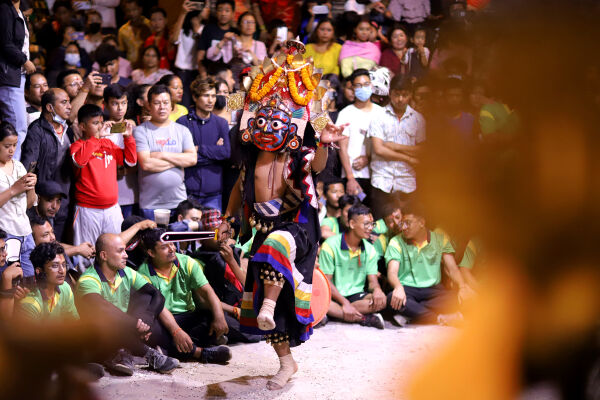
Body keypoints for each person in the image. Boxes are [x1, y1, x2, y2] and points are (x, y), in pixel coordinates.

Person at [219, 40, 346, 390]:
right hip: (260, 225)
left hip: (297, 225)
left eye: (280, 117)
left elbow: (318, 164)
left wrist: (324, 139)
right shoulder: (249, 155)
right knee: (262, 295)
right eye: (265, 116)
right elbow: (237, 188)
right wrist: (228, 219)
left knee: (274, 248)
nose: (272, 122)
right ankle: (286, 362)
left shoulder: (302, 153)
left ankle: (267, 307)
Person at [75, 233, 180, 375]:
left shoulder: (126, 272)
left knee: (145, 298)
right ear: (104, 256)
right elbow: (102, 308)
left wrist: (147, 319)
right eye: (120, 251)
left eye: (125, 250)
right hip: (95, 337)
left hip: (124, 329)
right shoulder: (88, 279)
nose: (126, 255)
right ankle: (148, 354)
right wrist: (134, 323)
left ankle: (123, 355)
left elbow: (157, 295)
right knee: (106, 320)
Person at [137, 228, 232, 363]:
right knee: (153, 331)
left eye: (172, 244)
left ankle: (170, 349)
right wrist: (176, 332)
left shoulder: (187, 262)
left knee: (213, 316)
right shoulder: (143, 274)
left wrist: (219, 316)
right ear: (151, 252)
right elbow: (161, 309)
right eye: (164, 247)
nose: (172, 249)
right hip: (164, 320)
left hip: (188, 316)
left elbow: (208, 292)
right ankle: (200, 352)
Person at [70, 104, 137, 268]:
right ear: (82, 126)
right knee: (87, 256)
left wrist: (128, 137)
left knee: (117, 250)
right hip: (87, 209)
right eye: (95, 123)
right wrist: (96, 139)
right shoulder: (77, 146)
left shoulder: (108, 144)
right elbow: (79, 161)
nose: (100, 126)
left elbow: (130, 161)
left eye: (101, 122)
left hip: (112, 209)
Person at [385, 206, 475, 326]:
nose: (404, 227)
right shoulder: (396, 241)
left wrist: (463, 287)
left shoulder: (440, 239)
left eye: (408, 223)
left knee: (462, 298)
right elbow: (392, 272)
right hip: (407, 289)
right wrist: (398, 287)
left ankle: (412, 314)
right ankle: (438, 318)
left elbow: (452, 269)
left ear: (421, 222)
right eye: (402, 223)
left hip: (434, 290)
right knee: (392, 298)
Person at [134, 84, 197, 220]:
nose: (162, 107)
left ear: (171, 105)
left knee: (180, 240)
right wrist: (178, 161)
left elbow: (192, 159)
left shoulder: (182, 130)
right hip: (150, 205)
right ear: (149, 106)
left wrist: (162, 155)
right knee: (154, 241)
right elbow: (147, 164)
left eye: (165, 103)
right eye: (157, 103)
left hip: (179, 203)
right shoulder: (140, 131)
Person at [368, 75, 425, 219]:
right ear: (390, 93)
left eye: (404, 95)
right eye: (396, 94)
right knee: (380, 226)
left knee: (406, 226)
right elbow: (379, 149)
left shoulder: (418, 119)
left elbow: (422, 150)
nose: (400, 99)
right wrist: (408, 158)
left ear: (411, 95)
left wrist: (395, 146)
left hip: (407, 181)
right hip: (382, 180)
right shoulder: (378, 115)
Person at [319, 204, 386, 329]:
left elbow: (372, 281)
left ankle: (336, 314)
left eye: (372, 224)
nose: (370, 228)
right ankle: (364, 318)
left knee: (381, 301)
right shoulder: (330, 245)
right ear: (352, 224)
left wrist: (377, 290)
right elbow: (326, 282)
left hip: (356, 296)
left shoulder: (370, 249)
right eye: (366, 224)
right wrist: (344, 303)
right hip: (333, 295)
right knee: (317, 299)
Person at [177, 77, 230, 211]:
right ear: (195, 97)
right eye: (206, 95)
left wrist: (198, 149)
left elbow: (226, 153)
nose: (211, 100)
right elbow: (181, 157)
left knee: (214, 232)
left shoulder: (221, 123)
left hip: (214, 194)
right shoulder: (182, 123)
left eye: (213, 95)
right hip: (188, 193)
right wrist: (213, 153)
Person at [337, 69, 382, 202]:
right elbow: (342, 148)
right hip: (354, 175)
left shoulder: (381, 112)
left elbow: (385, 144)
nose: (363, 88)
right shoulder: (346, 113)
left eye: (366, 84)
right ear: (352, 88)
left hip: (378, 175)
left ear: (372, 85)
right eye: (358, 85)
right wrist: (350, 178)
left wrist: (368, 157)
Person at [0, 0, 37, 161]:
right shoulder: (4, 9)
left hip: (16, 75)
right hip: (8, 75)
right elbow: (5, 44)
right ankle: (11, 171)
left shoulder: (18, 11)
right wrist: (24, 60)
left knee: (17, 126)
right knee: (18, 127)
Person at [0, 122, 37, 277]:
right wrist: (14, 189)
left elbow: (28, 204)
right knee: (7, 281)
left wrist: (31, 186)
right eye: (7, 145)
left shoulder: (19, 166)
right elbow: (14, 191)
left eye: (15, 145)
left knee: (30, 279)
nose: (12, 150)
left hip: (25, 232)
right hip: (5, 233)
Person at [17, 242, 78, 320]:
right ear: (39, 270)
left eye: (63, 265)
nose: (62, 270)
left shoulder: (65, 288)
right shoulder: (30, 303)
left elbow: (75, 323)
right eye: (55, 266)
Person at [104, 84, 139, 219]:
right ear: (105, 104)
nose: (120, 108)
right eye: (115, 103)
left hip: (130, 192)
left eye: (123, 103)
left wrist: (124, 170)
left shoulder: (134, 128)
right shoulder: (101, 130)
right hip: (108, 193)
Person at [197, 0, 236, 76]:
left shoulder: (235, 32)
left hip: (229, 76)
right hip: (210, 74)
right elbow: (200, 54)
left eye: (227, 11)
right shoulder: (208, 29)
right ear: (216, 12)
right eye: (220, 10)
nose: (223, 14)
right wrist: (203, 74)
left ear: (233, 13)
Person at [118, 0, 151, 65]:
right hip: (130, 68)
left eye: (134, 10)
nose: (131, 13)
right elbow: (122, 52)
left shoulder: (150, 25)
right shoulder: (122, 30)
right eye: (128, 11)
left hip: (148, 65)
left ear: (140, 9)